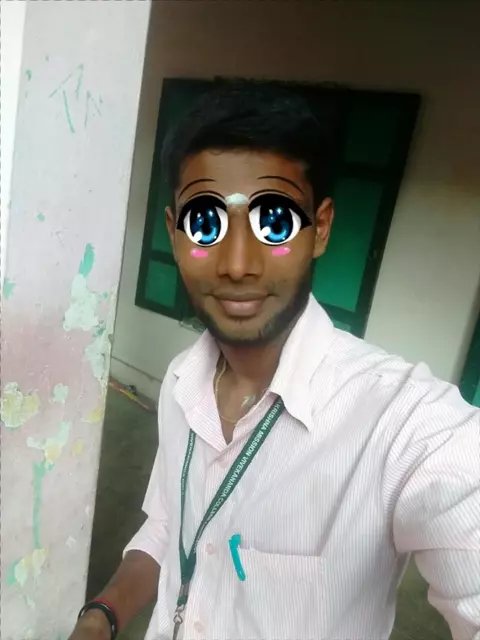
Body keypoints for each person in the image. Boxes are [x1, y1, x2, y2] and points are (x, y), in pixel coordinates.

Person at [70, 82, 480, 640]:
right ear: (173, 233)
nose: (237, 264)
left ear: (321, 229)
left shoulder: (403, 426)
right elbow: (170, 526)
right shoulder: (181, 382)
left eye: (275, 224)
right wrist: (102, 616)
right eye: (206, 224)